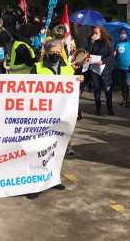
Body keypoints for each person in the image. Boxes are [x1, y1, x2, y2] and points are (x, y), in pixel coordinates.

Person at [25, 39, 86, 199]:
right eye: (53, 53)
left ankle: (53, 179)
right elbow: (29, 90)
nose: (56, 55)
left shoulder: (67, 67)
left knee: (57, 149)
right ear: (46, 51)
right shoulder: (37, 68)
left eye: (59, 53)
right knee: (40, 150)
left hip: (62, 114)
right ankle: (35, 184)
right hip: (43, 115)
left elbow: (73, 89)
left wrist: (79, 79)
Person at [85, 26, 115, 116]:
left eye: (96, 33)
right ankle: (98, 108)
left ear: (101, 33)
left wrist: (102, 61)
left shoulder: (107, 42)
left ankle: (109, 108)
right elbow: (87, 53)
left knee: (107, 89)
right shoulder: (91, 40)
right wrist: (91, 42)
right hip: (94, 68)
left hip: (105, 68)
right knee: (96, 88)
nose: (94, 35)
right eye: (93, 33)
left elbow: (111, 56)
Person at [114, 28, 130, 108]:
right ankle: (124, 99)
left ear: (127, 34)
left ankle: (128, 101)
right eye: (121, 33)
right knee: (122, 83)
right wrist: (114, 54)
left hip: (128, 67)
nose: (122, 34)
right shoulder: (117, 43)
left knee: (127, 83)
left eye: (124, 33)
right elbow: (114, 55)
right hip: (119, 66)